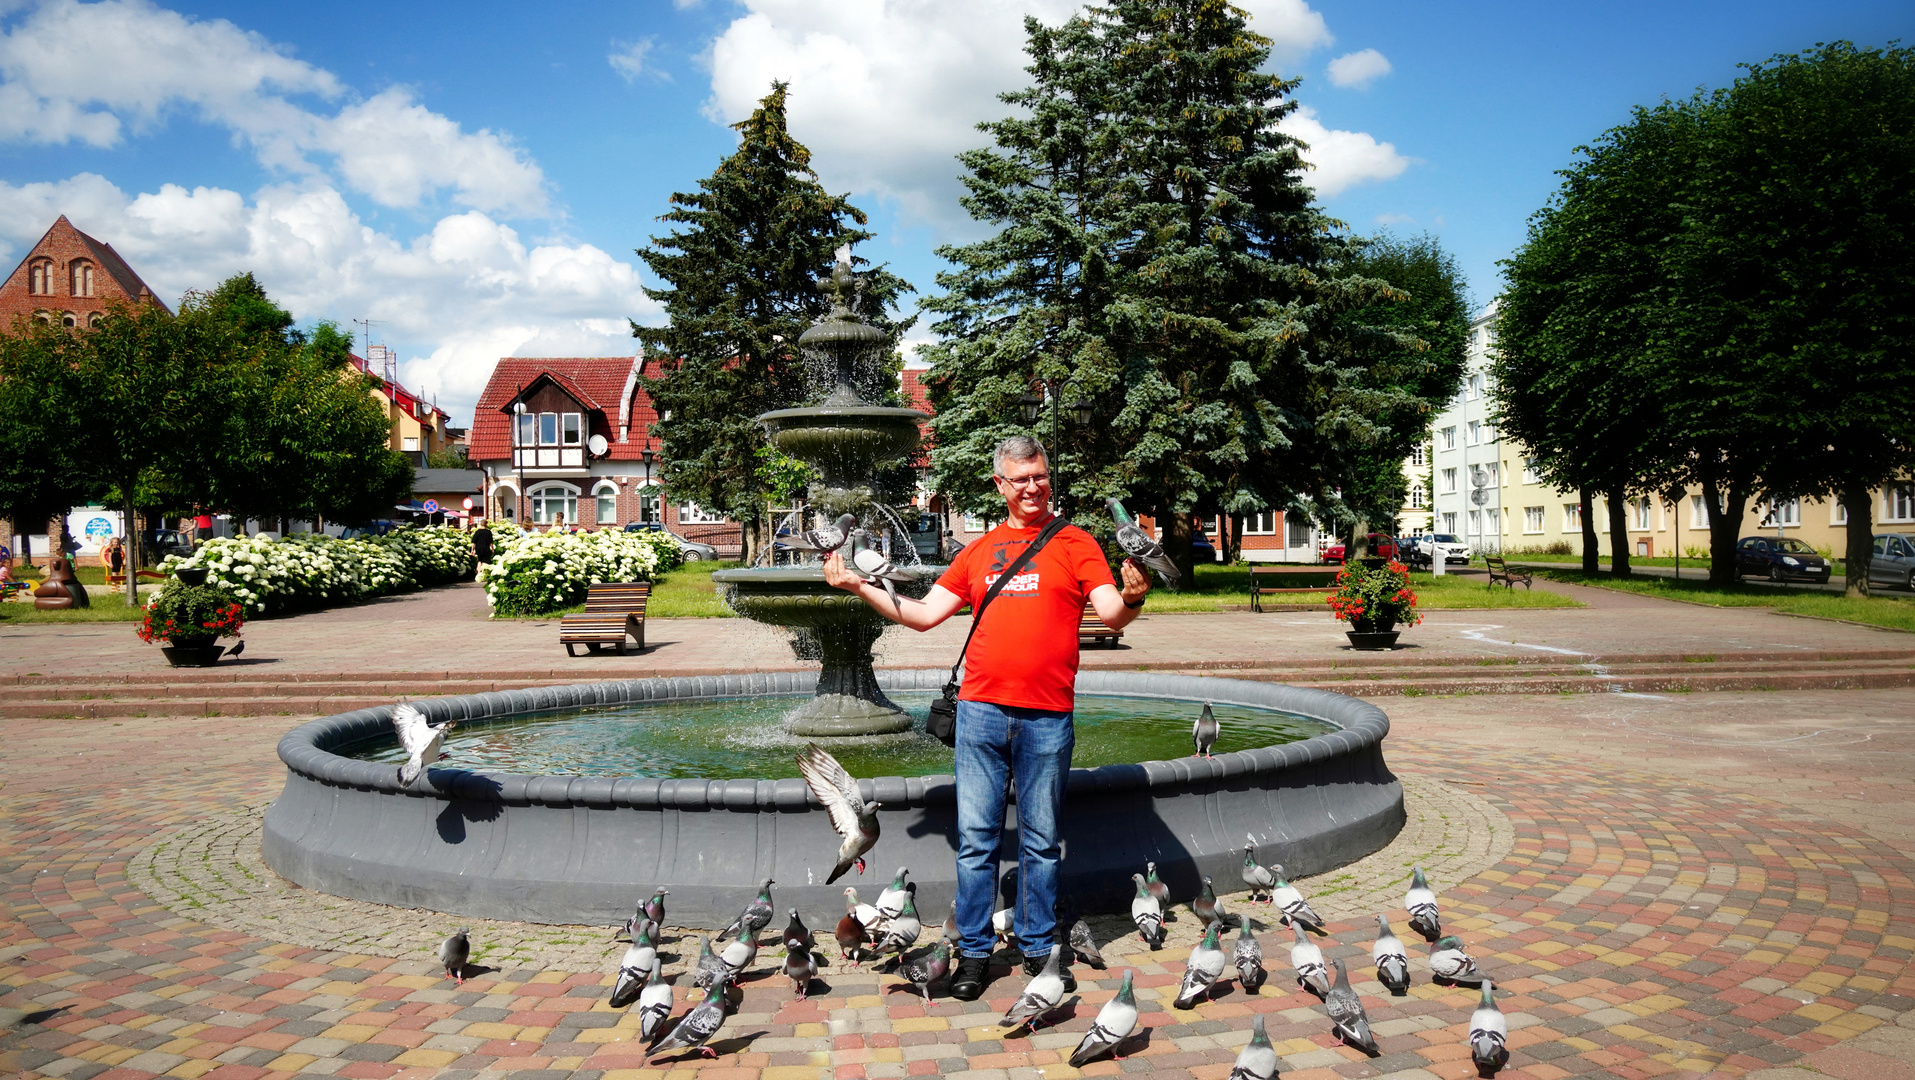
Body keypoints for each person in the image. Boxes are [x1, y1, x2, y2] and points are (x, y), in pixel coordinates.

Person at [823, 434, 1150, 1001]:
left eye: (1040, 476)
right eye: (1020, 479)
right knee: (976, 841)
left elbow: (1112, 614)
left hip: (1048, 717)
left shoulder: (1075, 542)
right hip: (980, 716)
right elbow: (925, 614)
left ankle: (1036, 947)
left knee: (1042, 841)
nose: (1032, 487)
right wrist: (858, 586)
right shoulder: (979, 551)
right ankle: (973, 953)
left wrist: (1135, 594)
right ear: (999, 485)